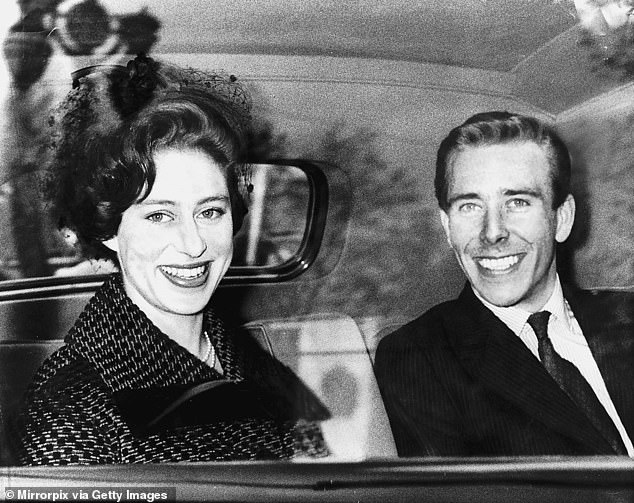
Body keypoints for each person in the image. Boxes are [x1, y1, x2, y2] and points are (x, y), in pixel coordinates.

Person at [16, 55, 328, 465]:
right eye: (160, 215)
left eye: (210, 211)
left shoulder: (247, 358)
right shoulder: (71, 407)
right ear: (109, 228)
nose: (193, 243)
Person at [375, 111, 634, 457]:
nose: (493, 231)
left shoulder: (625, 318)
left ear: (562, 218)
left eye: (517, 202)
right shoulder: (419, 357)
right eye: (469, 206)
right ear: (448, 227)